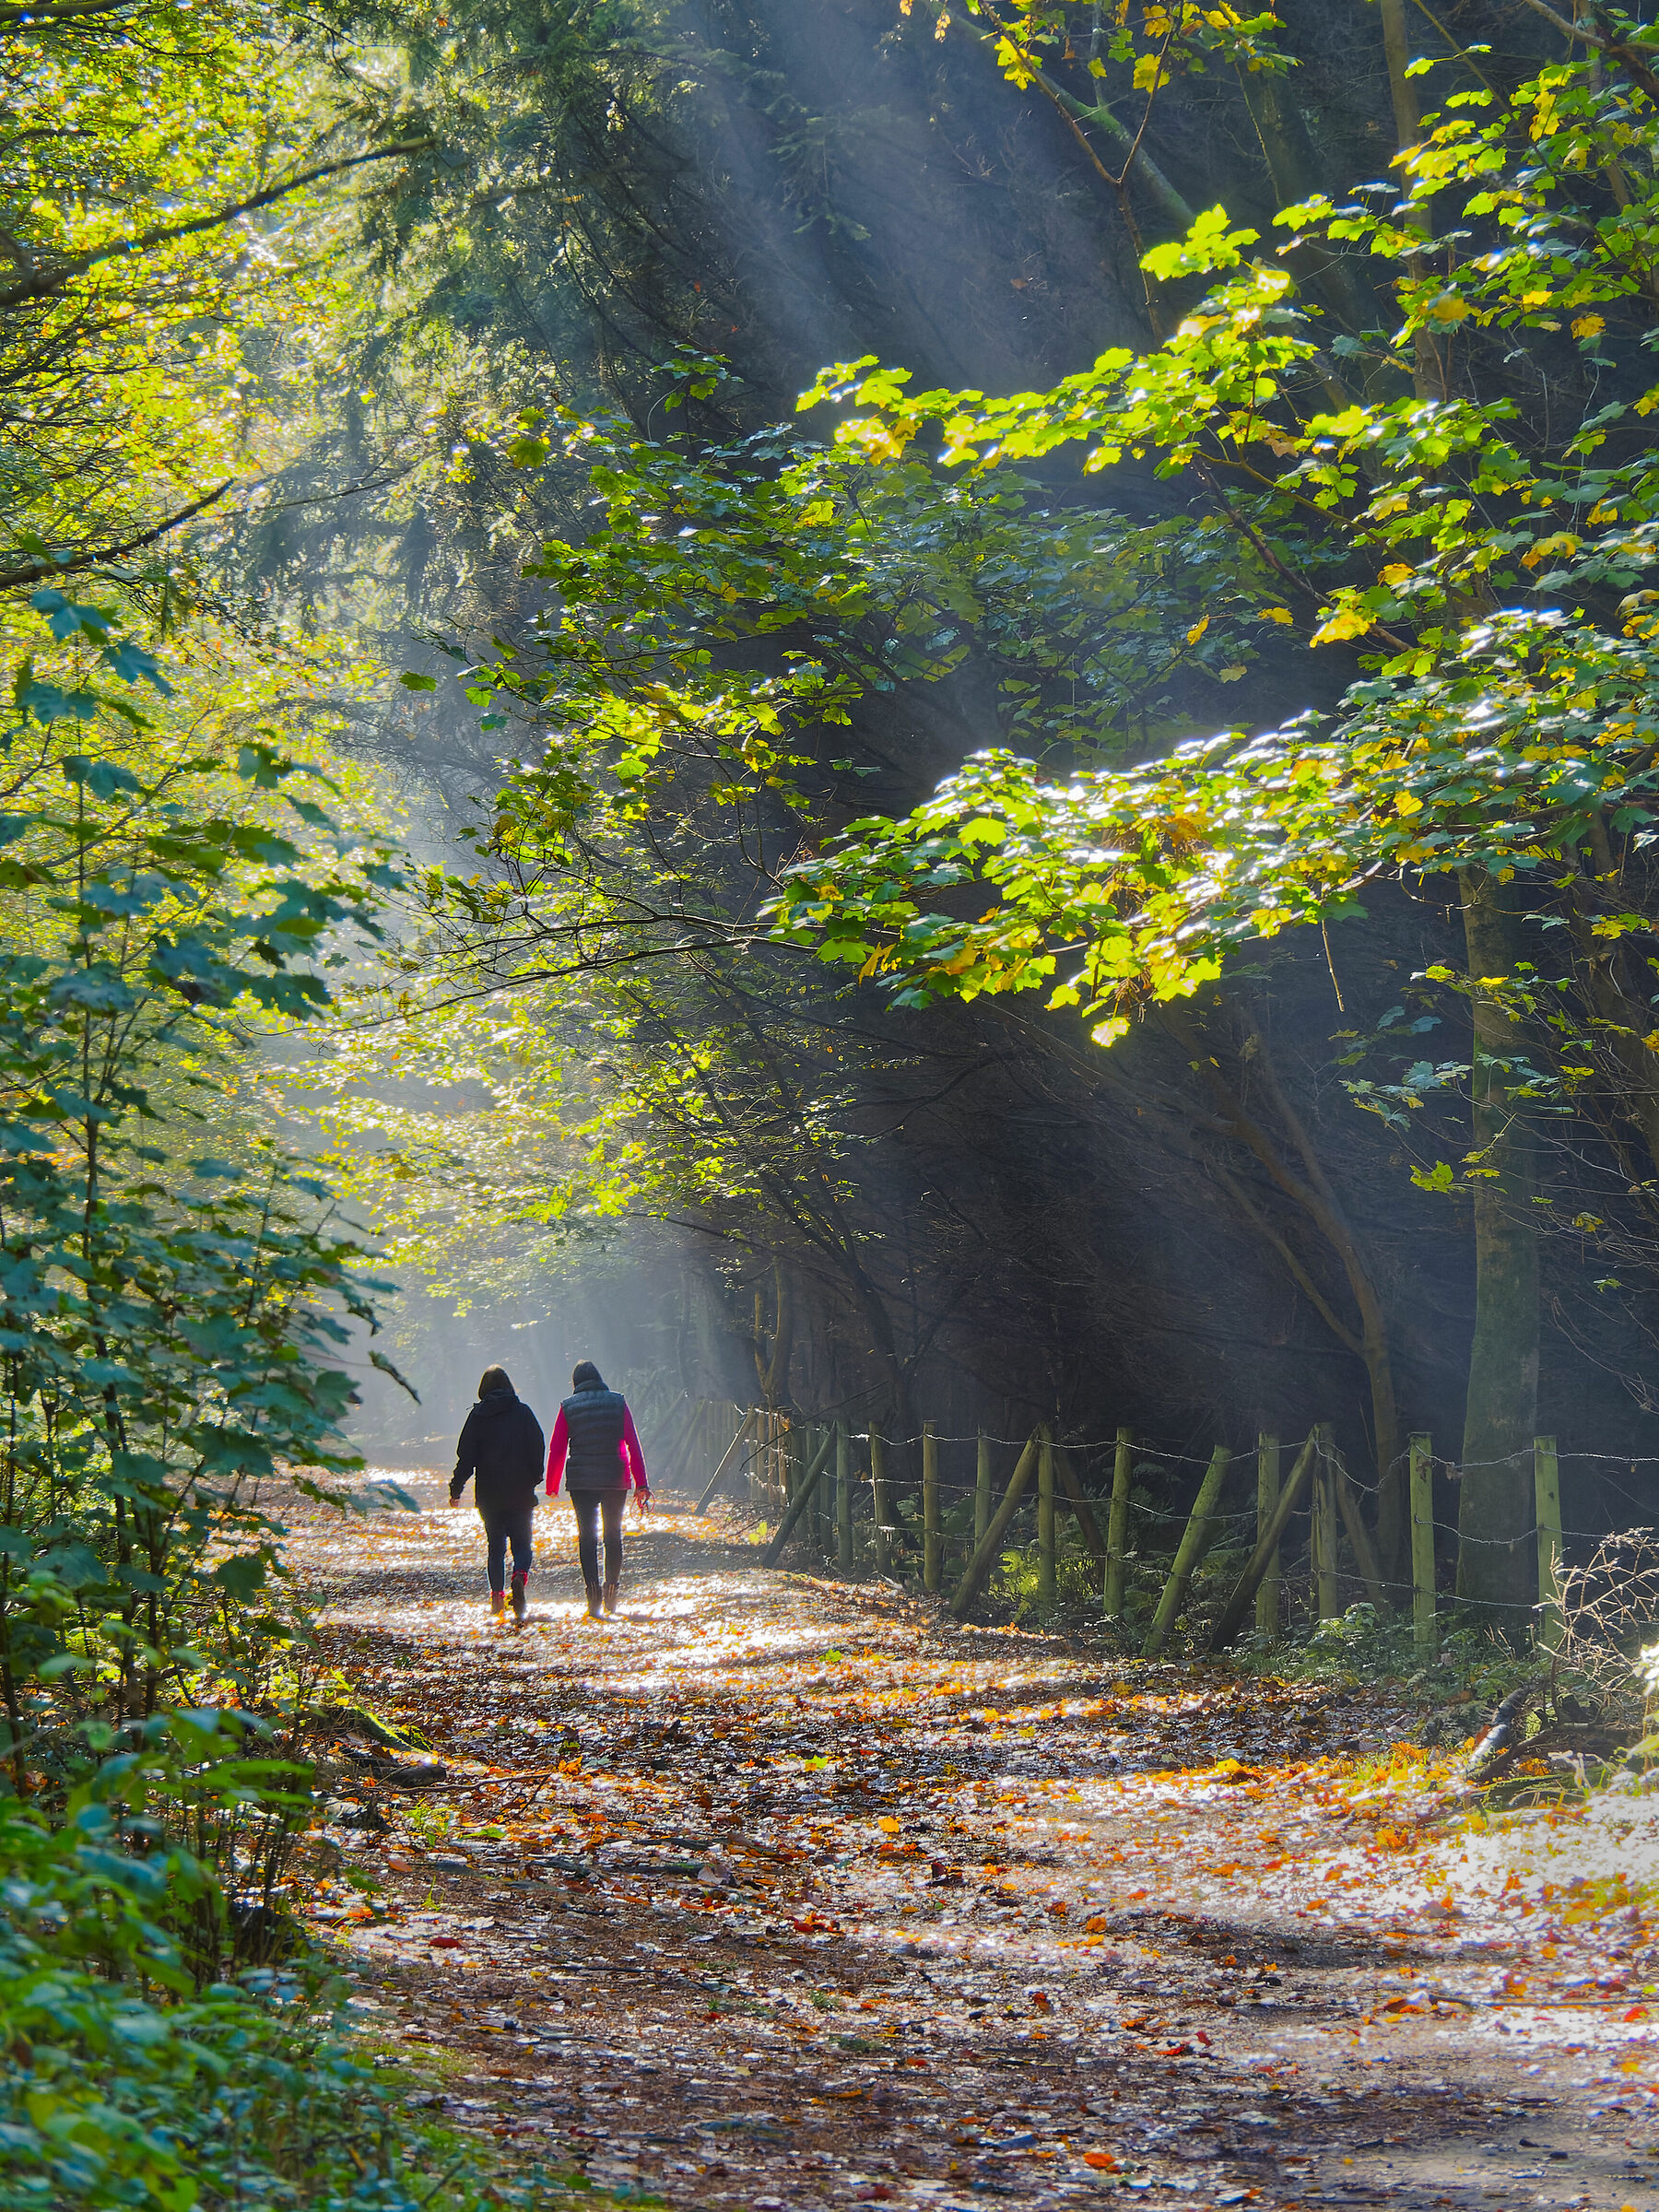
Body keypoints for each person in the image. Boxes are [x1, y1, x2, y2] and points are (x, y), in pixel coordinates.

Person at [546, 1359, 650, 1619]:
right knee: (613, 1535)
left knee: (587, 1536)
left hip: (582, 1481)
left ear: (575, 1383)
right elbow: (632, 1443)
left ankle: (593, 1596)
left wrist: (552, 1484)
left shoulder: (568, 1407)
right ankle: (612, 1591)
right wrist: (642, 1483)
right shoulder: (617, 1402)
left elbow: (557, 1448)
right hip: (615, 1476)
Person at [449, 1366, 546, 1621]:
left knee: (496, 1547)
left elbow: (466, 1456)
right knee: (522, 1544)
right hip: (521, 1491)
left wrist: (456, 1489)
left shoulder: (478, 1416)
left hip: (489, 1494)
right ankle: (519, 1577)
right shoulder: (523, 1413)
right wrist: (536, 1476)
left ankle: (497, 1597)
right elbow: (537, 1445)